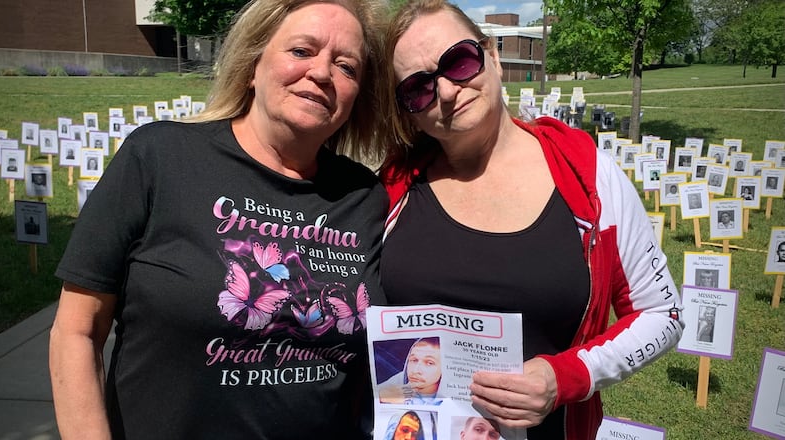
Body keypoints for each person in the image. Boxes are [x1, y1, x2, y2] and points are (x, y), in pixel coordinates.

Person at [48, 0, 388, 438]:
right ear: (252, 65)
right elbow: (76, 332)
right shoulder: (159, 158)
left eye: (346, 66)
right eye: (301, 51)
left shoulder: (364, 197)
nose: (322, 73)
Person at [377, 1, 685, 438]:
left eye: (458, 62)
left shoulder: (586, 177)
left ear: (493, 56)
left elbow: (663, 314)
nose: (446, 92)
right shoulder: (392, 190)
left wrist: (564, 377)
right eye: (418, 87)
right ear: (407, 108)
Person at [378, 337, 443, 405]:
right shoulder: (400, 379)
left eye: (429, 363)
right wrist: (381, 397)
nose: (415, 370)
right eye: (414, 360)